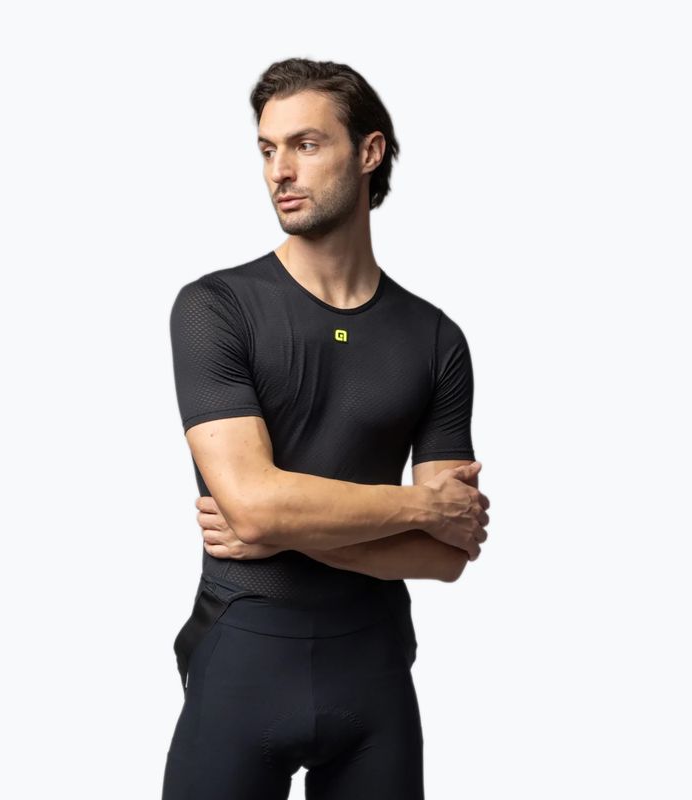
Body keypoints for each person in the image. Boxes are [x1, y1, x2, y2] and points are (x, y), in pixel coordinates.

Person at [162, 57, 490, 800]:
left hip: (374, 675)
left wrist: (284, 527)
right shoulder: (215, 308)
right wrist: (420, 505)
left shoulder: (435, 339)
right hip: (242, 657)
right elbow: (255, 507)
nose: (280, 170)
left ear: (369, 152)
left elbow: (446, 555)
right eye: (267, 149)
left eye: (306, 145)